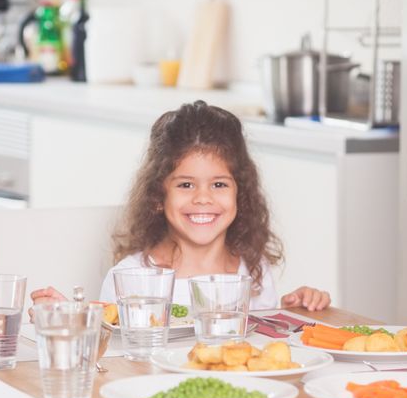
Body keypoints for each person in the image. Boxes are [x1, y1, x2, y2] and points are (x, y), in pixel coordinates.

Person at [31, 102, 330, 313]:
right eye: (186, 185)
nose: (203, 198)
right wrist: (67, 319)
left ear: (241, 194)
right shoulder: (131, 278)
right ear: (157, 196)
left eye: (219, 184)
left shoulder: (253, 271)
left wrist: (292, 312)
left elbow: (261, 350)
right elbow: (107, 354)